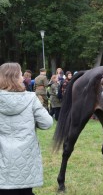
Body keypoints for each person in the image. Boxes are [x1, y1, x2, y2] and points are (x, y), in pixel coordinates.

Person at [0, 62, 53, 194]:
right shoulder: (31, 99)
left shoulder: (30, 98)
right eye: (20, 75)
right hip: (25, 160)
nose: (23, 78)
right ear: (15, 78)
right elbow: (47, 123)